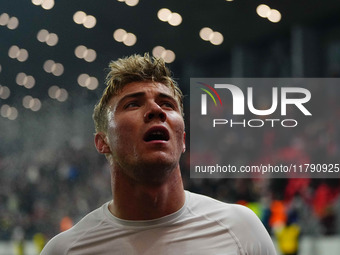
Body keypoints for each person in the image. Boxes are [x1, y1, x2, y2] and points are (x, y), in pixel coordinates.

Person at [41, 53, 277, 255]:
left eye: (167, 104)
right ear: (103, 142)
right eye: (133, 104)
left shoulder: (242, 230)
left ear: (182, 140)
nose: (155, 110)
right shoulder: (65, 250)